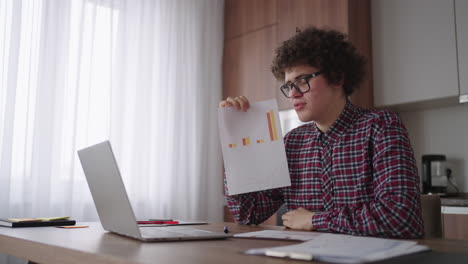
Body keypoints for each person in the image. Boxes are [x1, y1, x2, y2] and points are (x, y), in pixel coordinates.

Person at [219, 27, 424, 238]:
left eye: (302, 81)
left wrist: (314, 219)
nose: (293, 94)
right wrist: (236, 144)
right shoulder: (292, 143)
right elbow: (248, 213)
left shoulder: (381, 127)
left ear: (336, 78)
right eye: (288, 85)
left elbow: (401, 217)